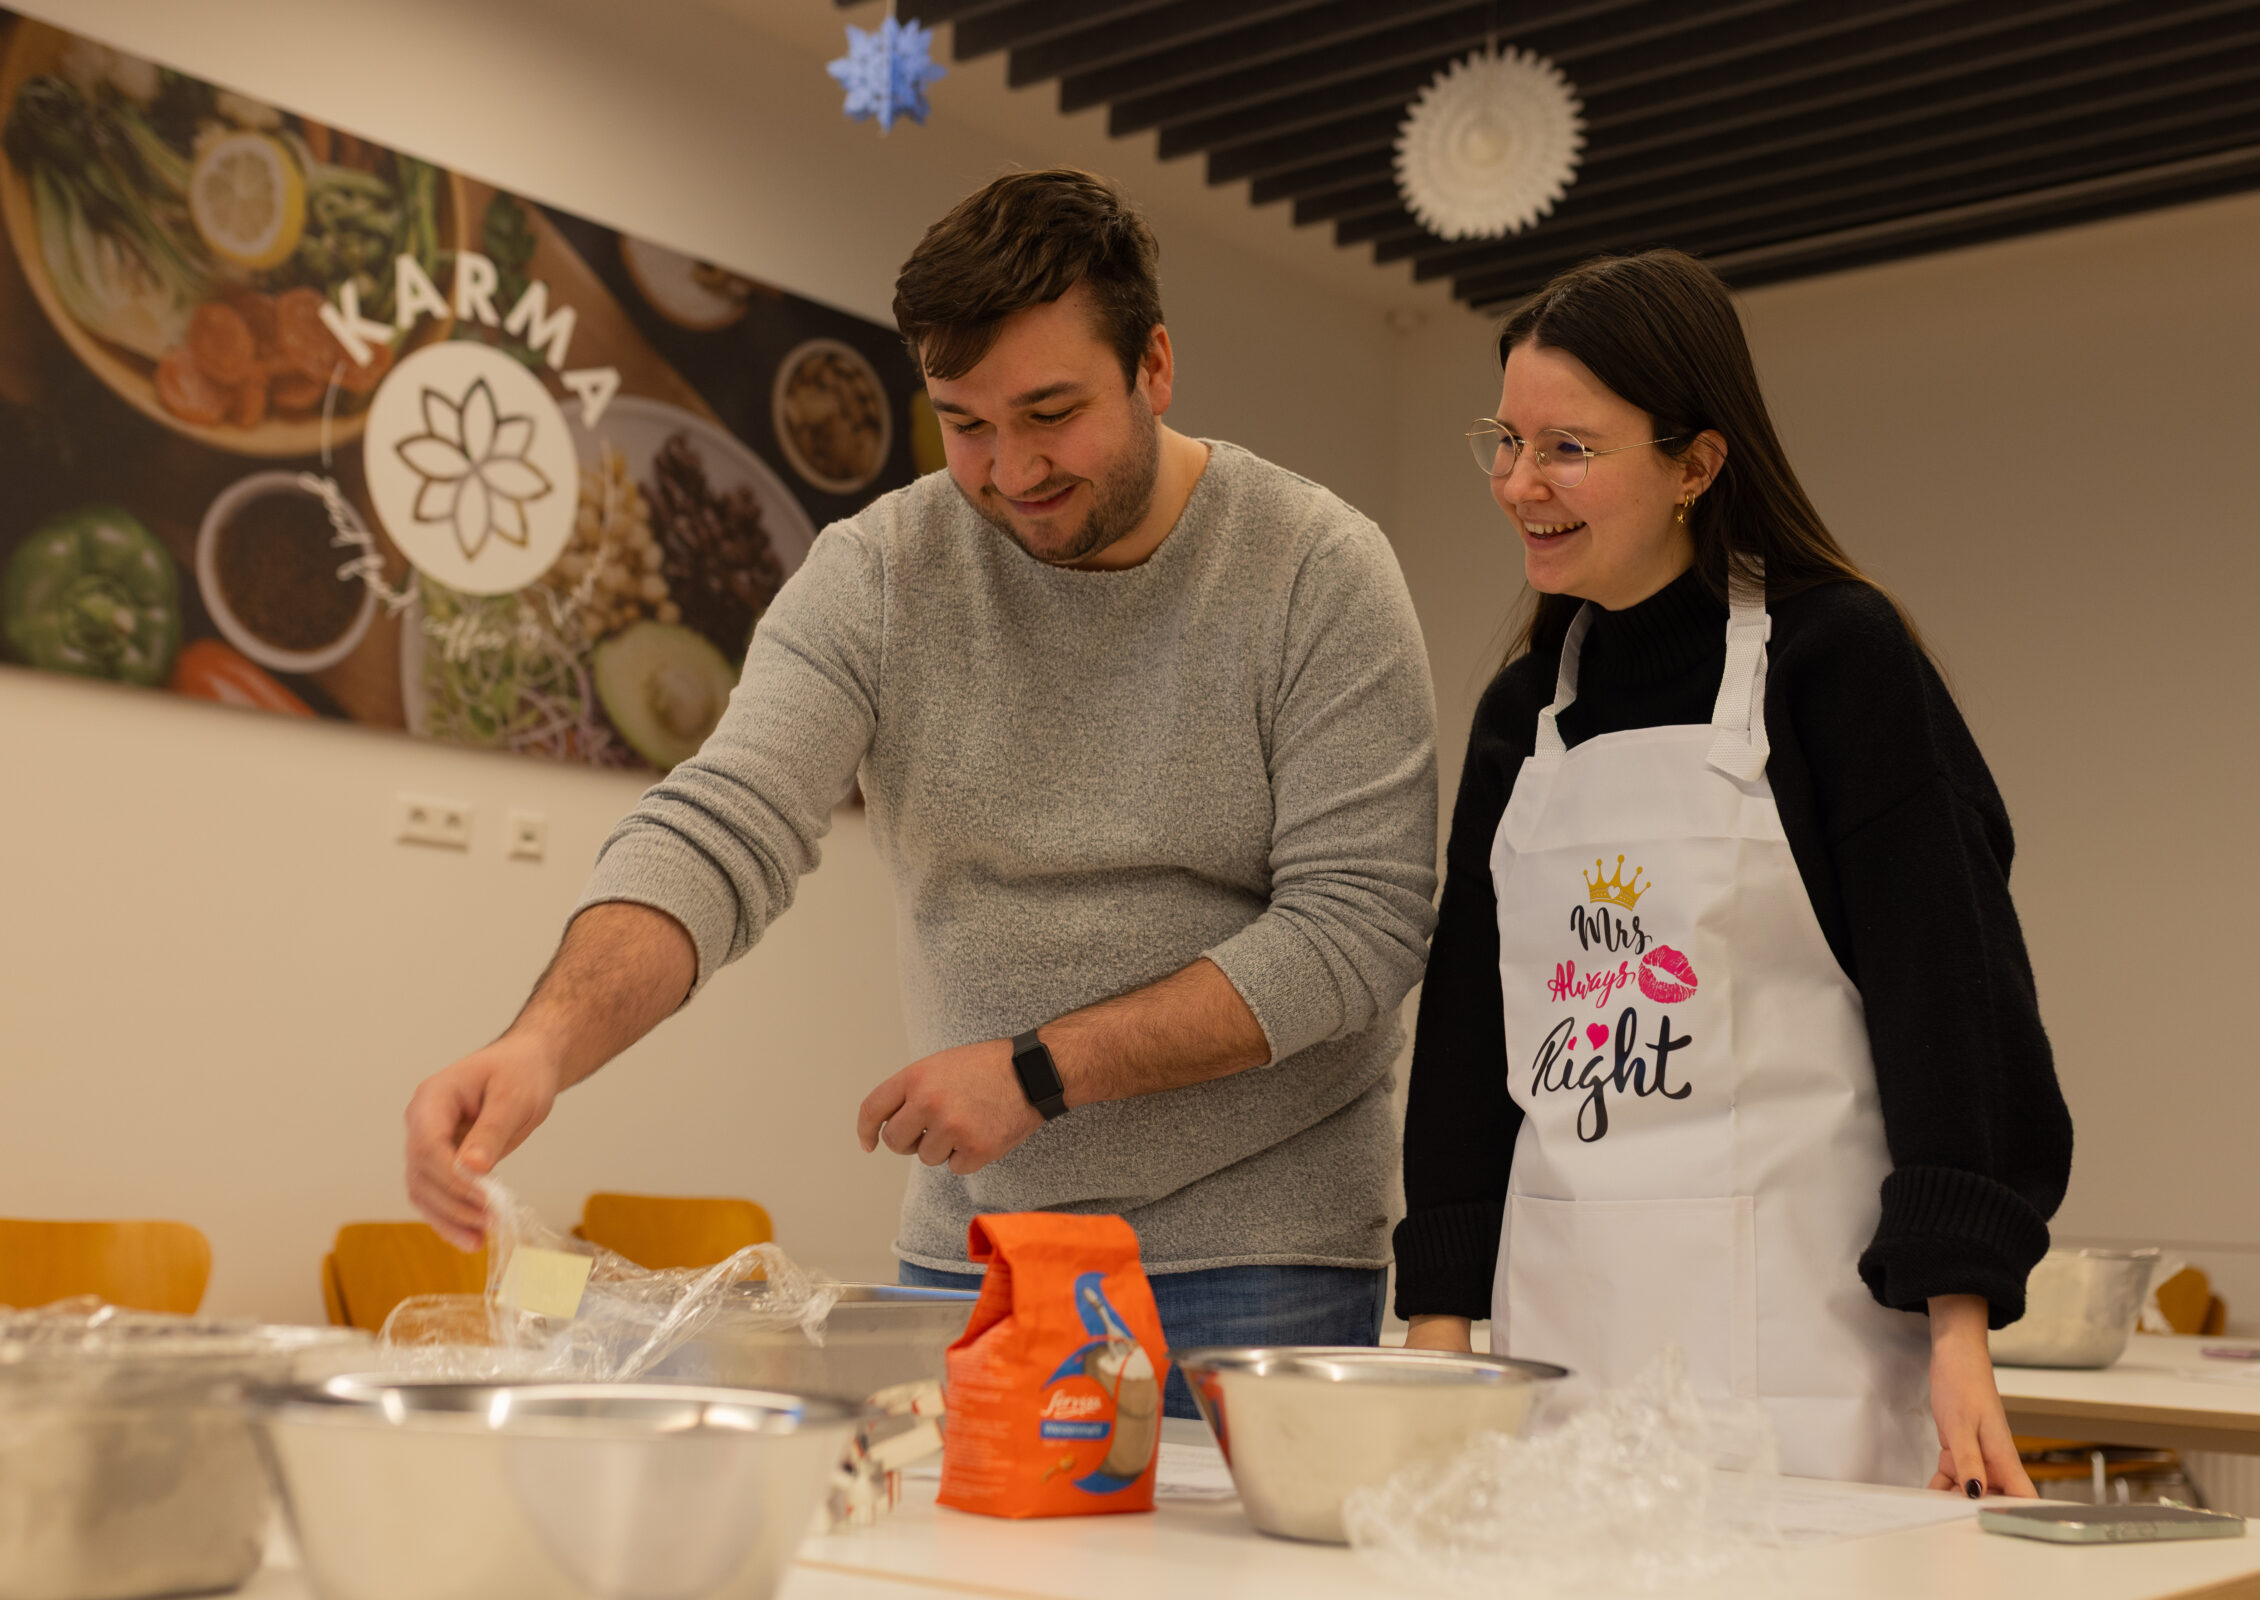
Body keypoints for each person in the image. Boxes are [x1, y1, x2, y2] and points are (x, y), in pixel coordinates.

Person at [401, 169, 1439, 1418]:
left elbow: (1359, 926)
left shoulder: (1316, 568)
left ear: (1153, 366)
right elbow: (723, 821)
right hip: (974, 1252)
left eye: (1051, 412)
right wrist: (542, 1043)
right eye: (965, 424)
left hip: (1255, 1255)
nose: (1010, 469)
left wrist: (1039, 1073)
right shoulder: (882, 572)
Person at [1395, 249, 2071, 1495]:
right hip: (1561, 1345)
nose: (1519, 483)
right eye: (1506, 440)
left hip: (1804, 1351)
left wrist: (1960, 1329)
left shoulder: (1837, 661)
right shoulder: (1520, 716)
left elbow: (1949, 998)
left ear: (1696, 464)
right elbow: (1464, 1047)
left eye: (1567, 448)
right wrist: (1439, 1334)